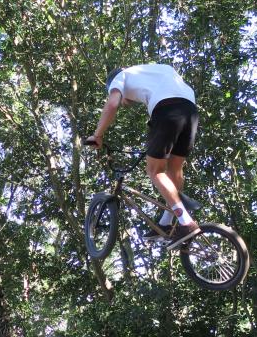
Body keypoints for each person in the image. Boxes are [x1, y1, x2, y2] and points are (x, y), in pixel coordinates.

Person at [85, 63, 201, 244]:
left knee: (155, 171)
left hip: (167, 110)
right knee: (175, 170)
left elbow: (113, 103)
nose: (124, 103)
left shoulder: (120, 76)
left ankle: (186, 222)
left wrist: (97, 135)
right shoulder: (156, 70)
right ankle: (166, 223)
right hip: (190, 110)